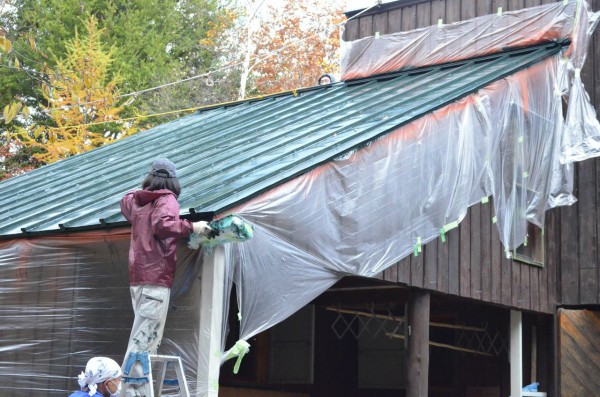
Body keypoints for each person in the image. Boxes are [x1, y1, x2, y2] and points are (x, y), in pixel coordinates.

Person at [119, 158, 214, 397]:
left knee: (141, 333)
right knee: (144, 340)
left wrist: (144, 188)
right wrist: (193, 227)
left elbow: (126, 200)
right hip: (156, 278)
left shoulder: (138, 202)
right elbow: (163, 225)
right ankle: (132, 391)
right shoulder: (167, 199)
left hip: (138, 279)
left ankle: (131, 388)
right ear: (173, 181)